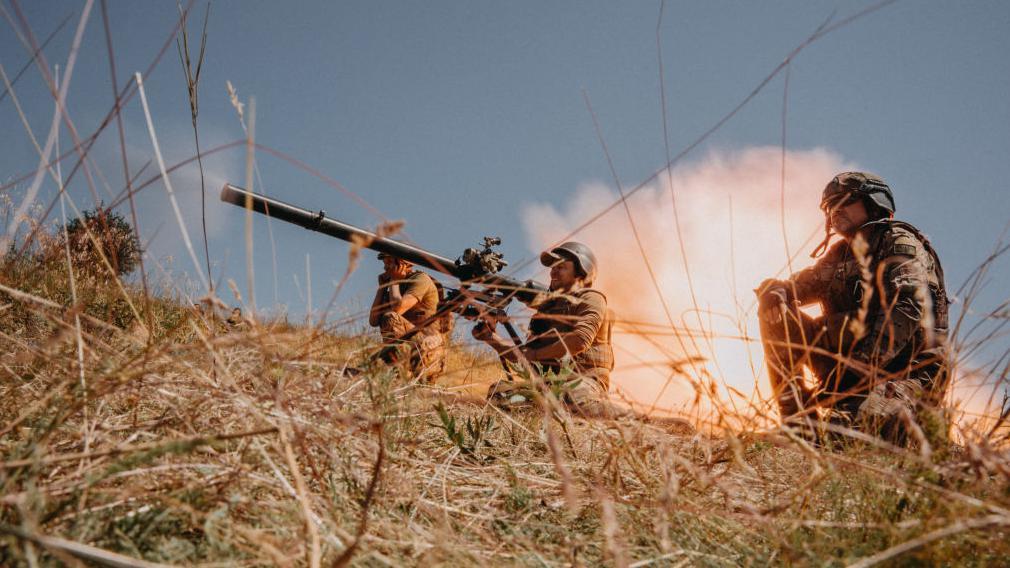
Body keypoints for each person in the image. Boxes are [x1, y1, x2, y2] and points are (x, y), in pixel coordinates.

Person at [756, 172, 949, 443]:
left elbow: (906, 308)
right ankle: (799, 424)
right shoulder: (839, 255)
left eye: (844, 201)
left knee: (842, 433)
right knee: (773, 309)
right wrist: (774, 289)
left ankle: (915, 431)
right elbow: (798, 286)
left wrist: (859, 370)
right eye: (829, 207)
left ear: (874, 203)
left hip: (907, 374)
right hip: (846, 373)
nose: (835, 211)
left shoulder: (899, 243)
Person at [368, 252, 448, 381]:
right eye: (385, 264)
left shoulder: (420, 279)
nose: (385, 268)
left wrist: (394, 281)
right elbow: (373, 320)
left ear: (403, 263)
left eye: (389, 263)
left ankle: (400, 374)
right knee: (371, 362)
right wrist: (382, 288)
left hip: (429, 350)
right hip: (412, 347)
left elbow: (397, 309)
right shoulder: (396, 286)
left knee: (390, 317)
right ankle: (398, 373)